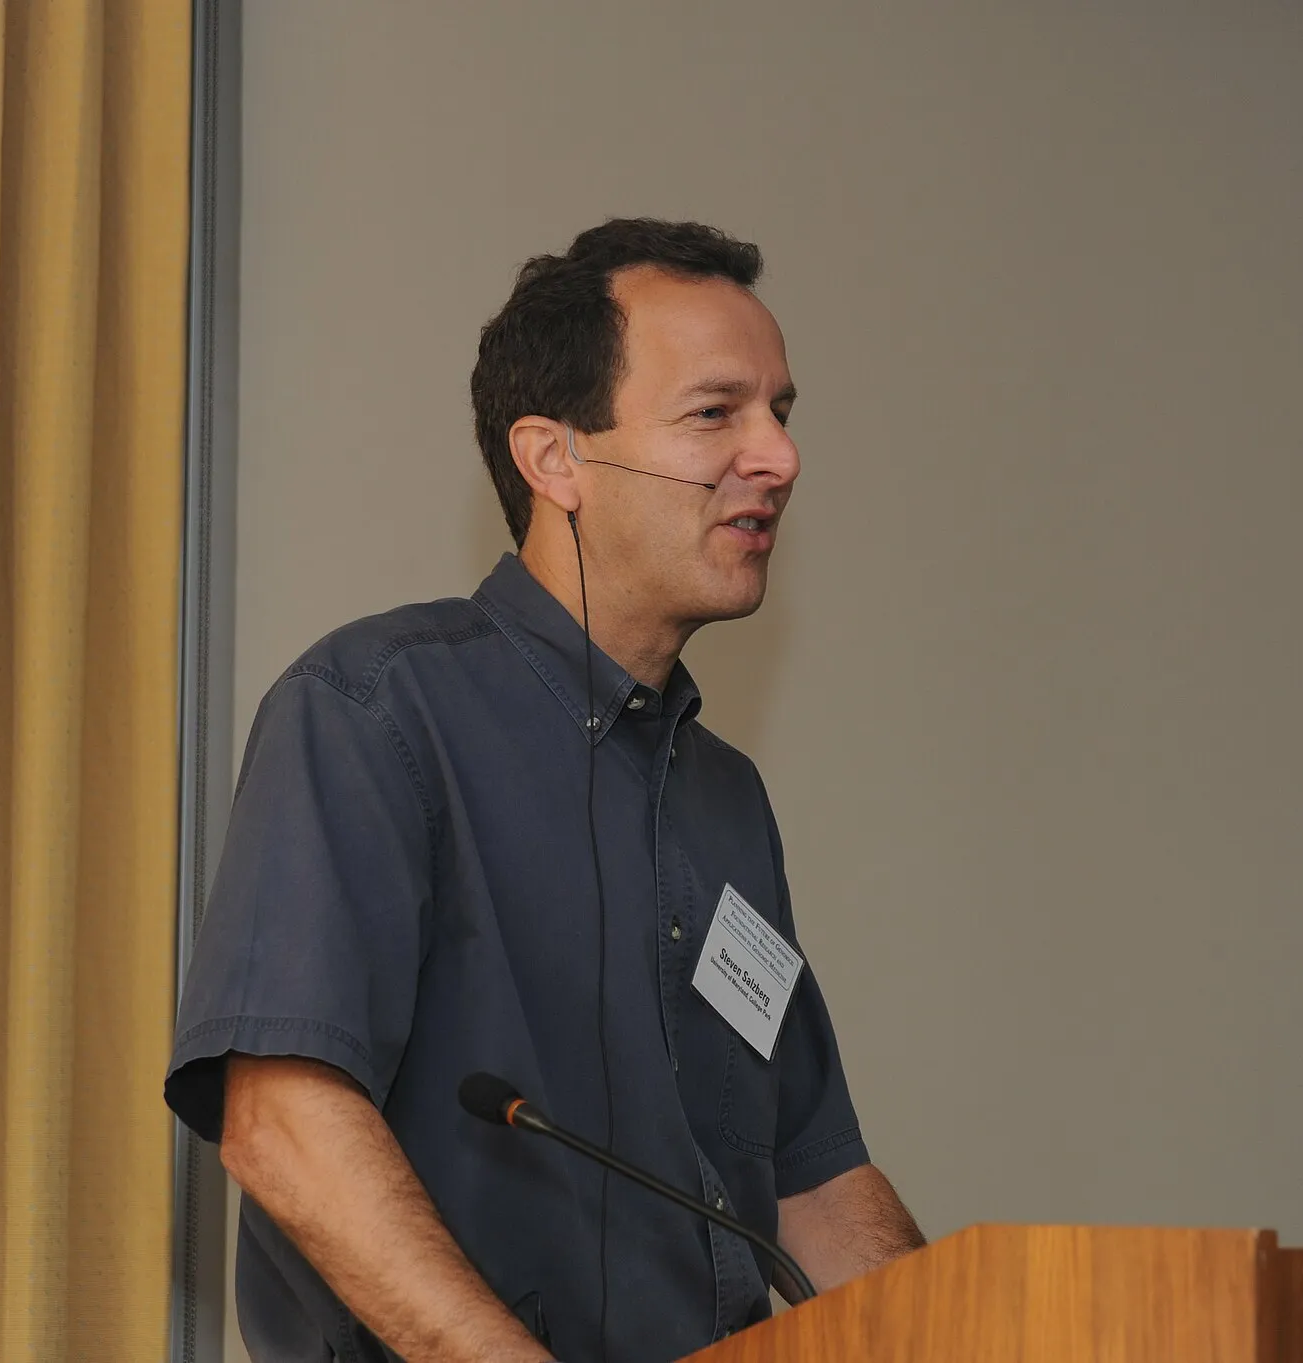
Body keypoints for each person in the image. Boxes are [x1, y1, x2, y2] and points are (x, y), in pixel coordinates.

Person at [166, 218, 925, 1363]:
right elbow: (281, 1122)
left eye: (781, 411)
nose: (777, 456)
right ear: (552, 457)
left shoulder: (724, 800)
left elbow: (814, 1185)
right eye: (716, 412)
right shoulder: (373, 710)